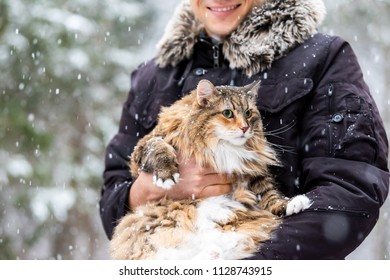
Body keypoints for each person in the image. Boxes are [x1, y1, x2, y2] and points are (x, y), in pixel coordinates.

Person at [99, 0, 389, 259]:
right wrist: (148, 189)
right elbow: (112, 198)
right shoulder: (154, 75)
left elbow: (350, 189)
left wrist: (245, 261)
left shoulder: (323, 57)